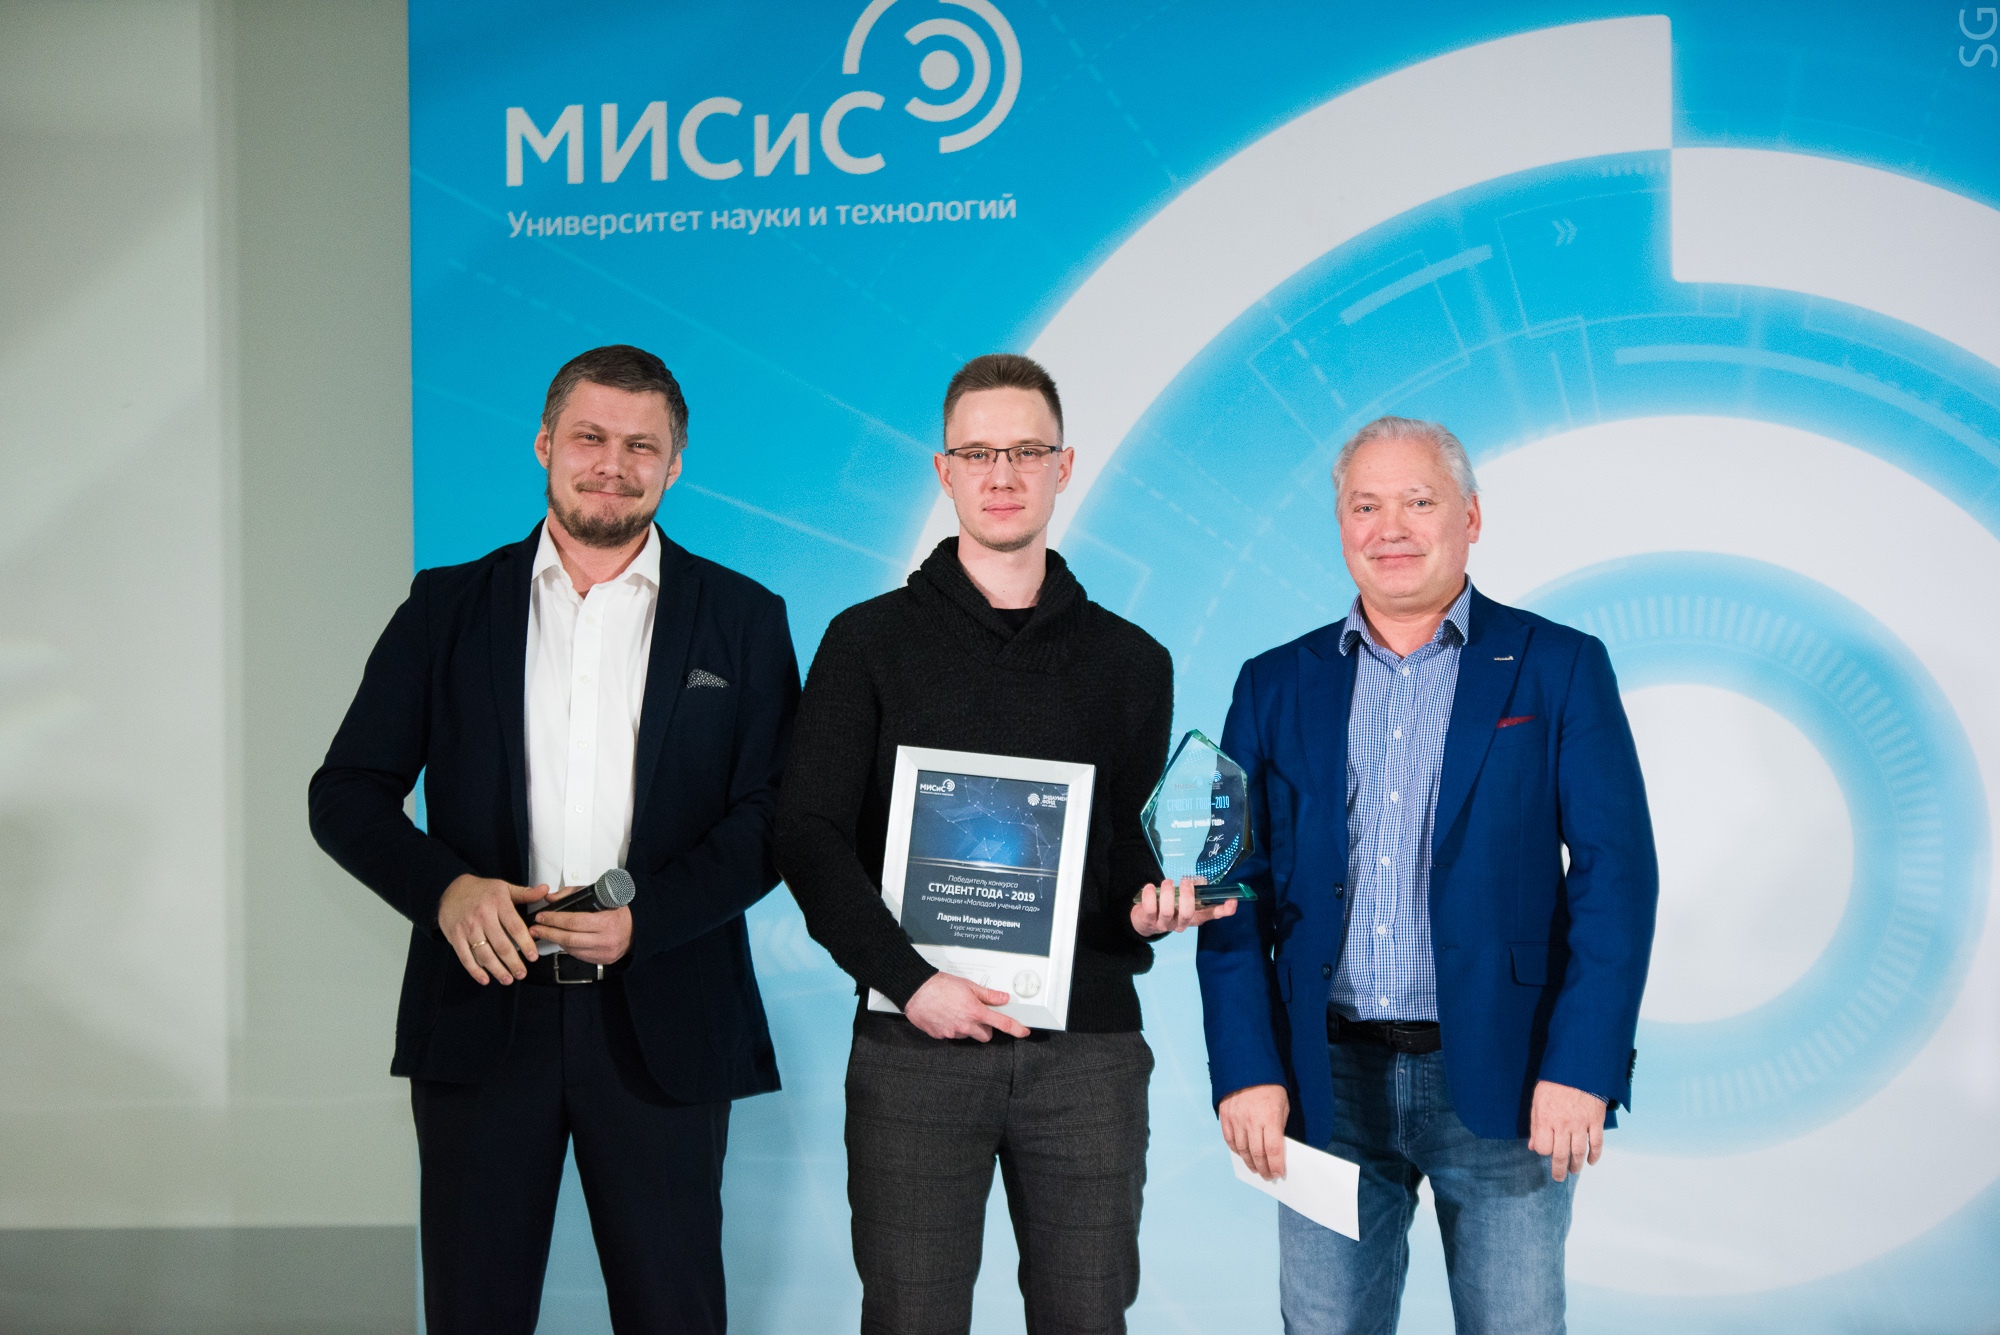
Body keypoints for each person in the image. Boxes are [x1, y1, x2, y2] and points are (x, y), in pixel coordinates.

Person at [308, 345, 799, 1335]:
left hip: (664, 1018)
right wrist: (446, 891)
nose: (612, 464)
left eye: (640, 445)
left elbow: (774, 819)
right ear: (544, 445)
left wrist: (648, 920)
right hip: (481, 1014)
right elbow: (346, 793)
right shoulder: (445, 607)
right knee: (474, 1314)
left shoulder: (743, 618)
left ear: (675, 464)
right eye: (589, 437)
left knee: (673, 1314)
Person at [775, 353, 1232, 1335]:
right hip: (912, 1041)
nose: (1002, 474)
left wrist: (1149, 905)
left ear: (1063, 466)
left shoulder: (1131, 661)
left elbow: (1122, 856)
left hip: (1087, 1057)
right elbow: (806, 837)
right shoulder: (866, 642)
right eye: (978, 453)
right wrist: (910, 982)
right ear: (944, 471)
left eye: (1025, 451)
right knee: (911, 1319)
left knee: (1087, 1319)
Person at [1197, 416, 1657, 1333]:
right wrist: (1245, 1066)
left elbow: (1618, 877)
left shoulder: (1559, 667)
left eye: (1418, 500)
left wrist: (1583, 1067)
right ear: (1341, 524)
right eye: (1366, 505)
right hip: (1324, 1082)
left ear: (1470, 517)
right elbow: (1230, 888)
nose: (1391, 528)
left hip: (1507, 1077)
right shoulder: (1272, 683)